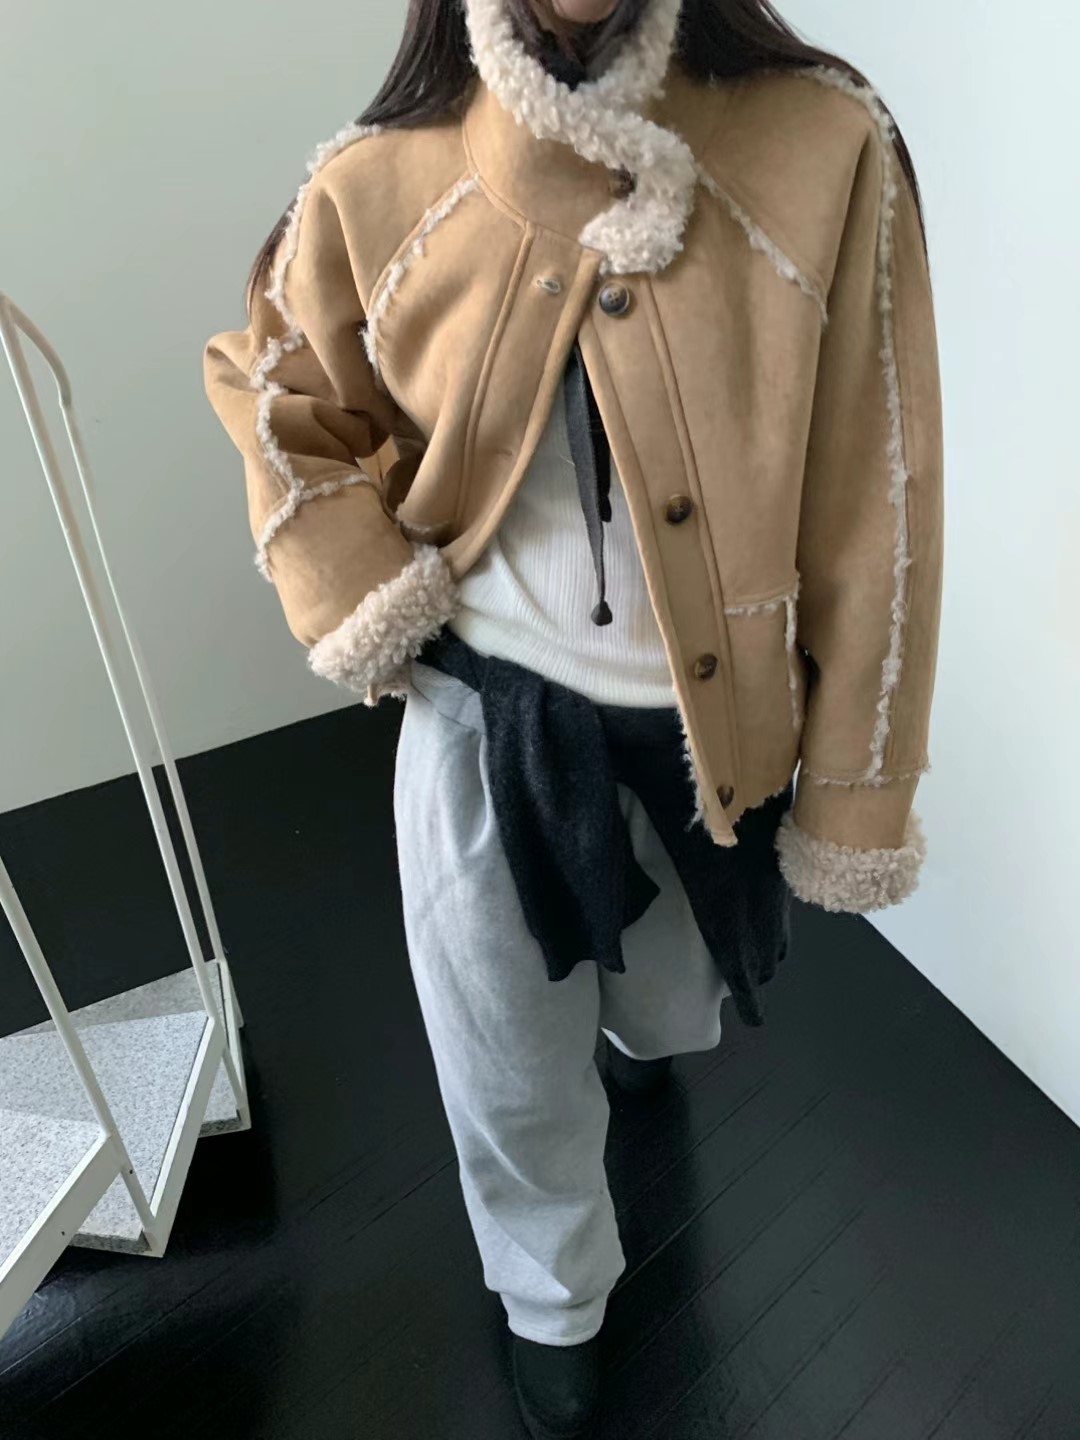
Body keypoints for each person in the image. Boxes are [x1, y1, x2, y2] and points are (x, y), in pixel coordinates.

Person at [204, 0, 944, 1433]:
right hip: (481, 720)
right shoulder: (376, 182)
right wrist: (362, 585)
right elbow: (274, 389)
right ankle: (551, 1295)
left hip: (705, 740)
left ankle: (634, 1042)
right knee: (500, 1051)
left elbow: (882, 490)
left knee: (664, 1007)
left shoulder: (826, 147)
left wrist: (858, 785)